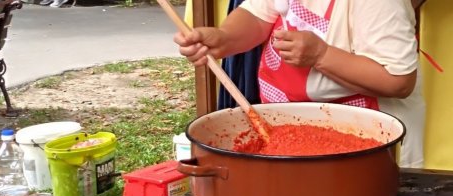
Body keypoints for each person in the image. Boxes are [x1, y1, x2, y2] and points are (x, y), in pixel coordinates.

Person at [175, 0, 425, 168]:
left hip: (371, 149)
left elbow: (398, 81)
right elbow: (257, 13)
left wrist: (321, 56)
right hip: (290, 136)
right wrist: (224, 38)